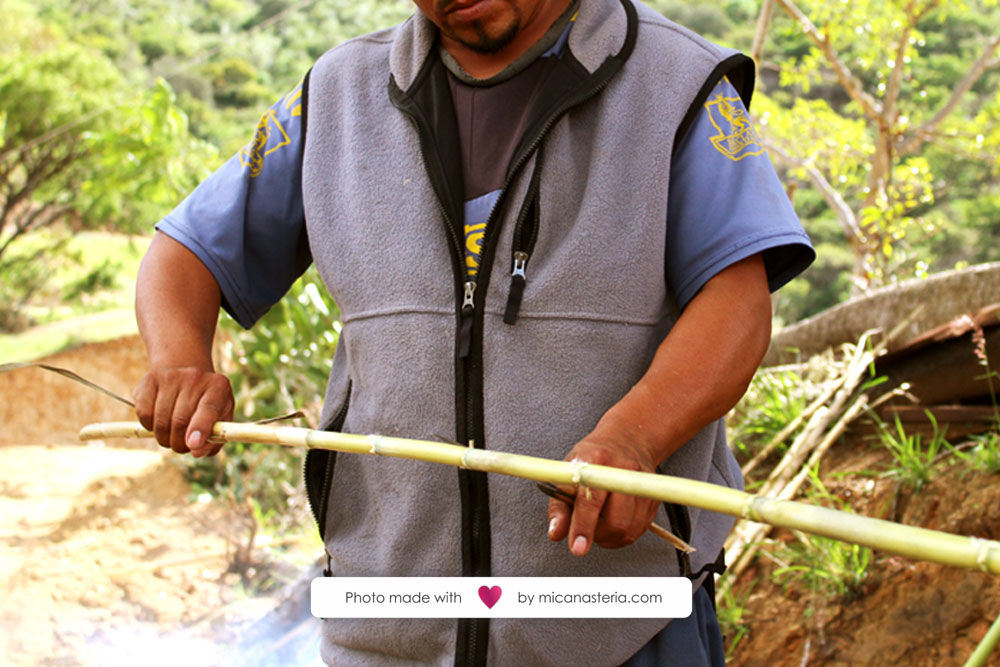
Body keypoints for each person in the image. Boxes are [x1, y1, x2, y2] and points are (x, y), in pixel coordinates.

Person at [132, 0, 814, 664]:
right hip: (387, 630)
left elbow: (737, 303)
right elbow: (185, 251)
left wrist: (636, 438)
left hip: (618, 627)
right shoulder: (336, 97)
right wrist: (179, 358)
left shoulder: (679, 87)